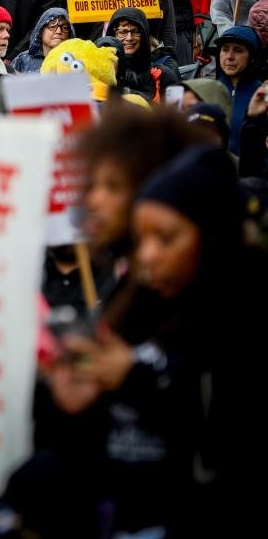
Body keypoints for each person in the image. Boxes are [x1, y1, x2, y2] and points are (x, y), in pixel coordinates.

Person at [55, 145, 262, 536]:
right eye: (141, 238)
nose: (148, 255)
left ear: (211, 238)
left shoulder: (243, 318)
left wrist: (137, 378)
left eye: (166, 239)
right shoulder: (132, 306)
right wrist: (78, 403)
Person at [104, 7, 180, 102]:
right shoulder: (101, 73)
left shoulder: (163, 75)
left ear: (144, 35)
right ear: (112, 35)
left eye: (135, 32)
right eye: (123, 32)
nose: (129, 38)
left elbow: (176, 109)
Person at [209, 26, 263, 156]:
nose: (229, 57)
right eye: (225, 49)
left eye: (238, 50)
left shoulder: (261, 95)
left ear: (252, 56)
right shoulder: (209, 90)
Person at [12, 8, 75, 74]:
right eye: (52, 26)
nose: (59, 31)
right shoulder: (23, 60)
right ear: (40, 32)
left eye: (65, 27)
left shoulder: (75, 61)